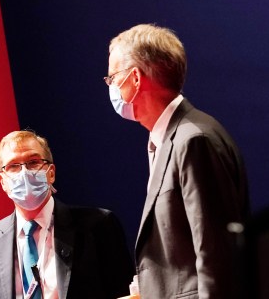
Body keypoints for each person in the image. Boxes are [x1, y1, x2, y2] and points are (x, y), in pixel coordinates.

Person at [106, 24, 249, 298]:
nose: (110, 86)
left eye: (113, 77)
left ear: (135, 78)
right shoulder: (167, 140)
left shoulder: (193, 139)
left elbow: (215, 255)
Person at [0, 130, 134, 299]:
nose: (24, 173)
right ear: (2, 181)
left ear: (51, 173)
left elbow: (125, 293)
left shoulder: (98, 225)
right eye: (13, 166)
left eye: (33, 162)